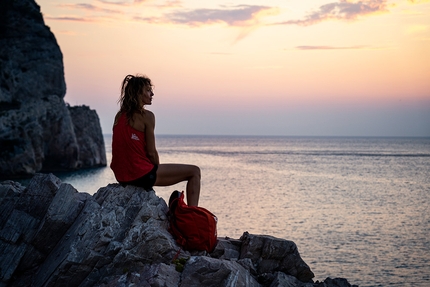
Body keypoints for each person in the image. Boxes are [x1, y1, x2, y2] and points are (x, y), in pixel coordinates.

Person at [110, 74, 201, 206]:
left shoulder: (119, 116)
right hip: (141, 175)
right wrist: (156, 170)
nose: (152, 94)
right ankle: (194, 215)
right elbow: (151, 152)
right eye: (148, 90)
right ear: (138, 93)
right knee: (194, 172)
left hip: (121, 177)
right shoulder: (147, 116)